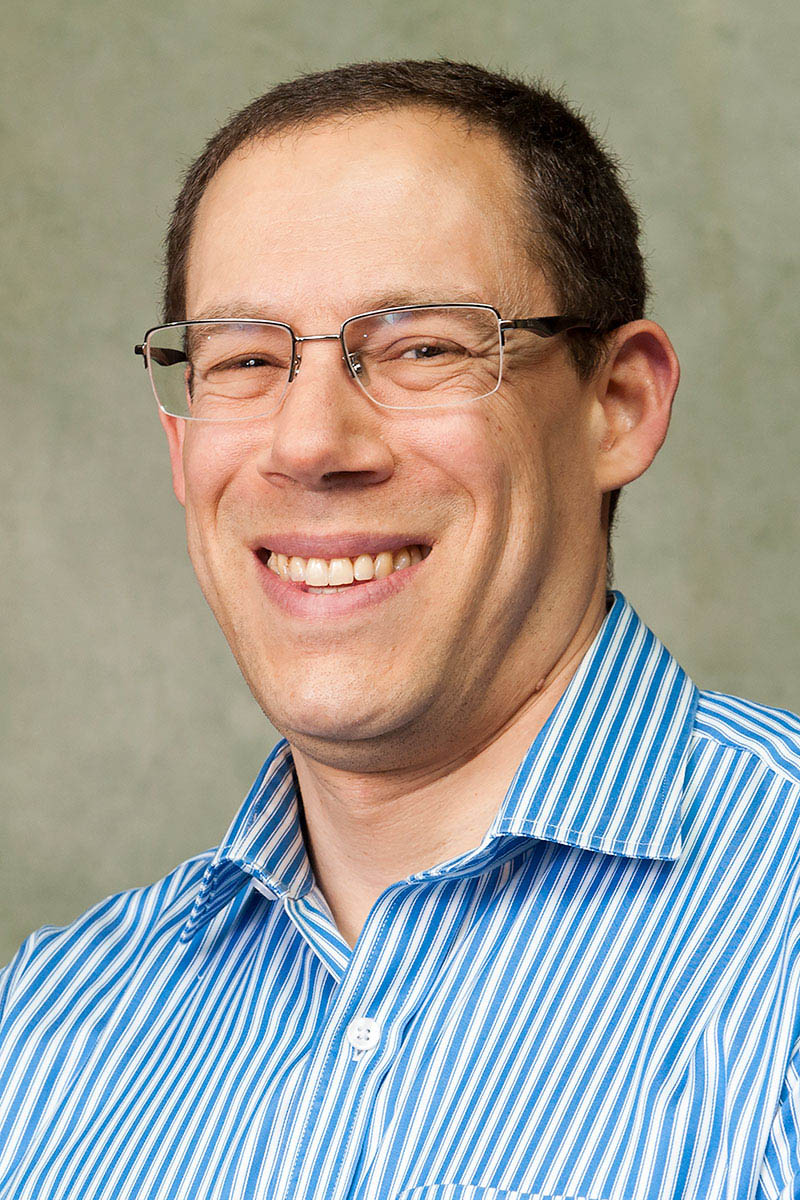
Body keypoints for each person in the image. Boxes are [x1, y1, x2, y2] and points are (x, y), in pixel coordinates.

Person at [1, 58, 798, 1200]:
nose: (309, 440)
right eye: (243, 361)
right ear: (182, 451)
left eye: (423, 347)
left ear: (615, 406)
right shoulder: (48, 1033)